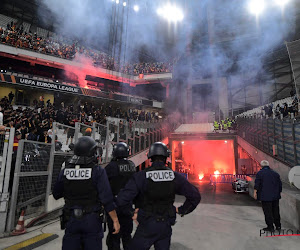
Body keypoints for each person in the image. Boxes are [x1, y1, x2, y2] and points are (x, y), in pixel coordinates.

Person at [116, 142, 201, 250]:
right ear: (166, 157)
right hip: (165, 226)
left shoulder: (141, 176)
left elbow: (121, 200)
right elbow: (195, 196)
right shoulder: (174, 176)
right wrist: (181, 210)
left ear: (150, 157)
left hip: (147, 225)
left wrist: (132, 213)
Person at [53, 136, 120, 250]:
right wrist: (115, 220)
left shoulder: (66, 171)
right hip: (91, 219)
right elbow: (107, 199)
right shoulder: (97, 171)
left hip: (71, 218)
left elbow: (56, 194)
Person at [105, 142, 136, 250]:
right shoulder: (131, 165)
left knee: (114, 236)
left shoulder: (110, 167)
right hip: (127, 205)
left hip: (113, 206)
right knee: (127, 236)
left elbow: (104, 188)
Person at [254, 160, 282, 232]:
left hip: (265, 197)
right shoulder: (275, 173)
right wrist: (278, 193)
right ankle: (278, 226)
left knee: (268, 212)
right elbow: (280, 185)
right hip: (275, 196)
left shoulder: (260, 173)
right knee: (276, 211)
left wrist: (255, 193)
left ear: (261, 166)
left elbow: (257, 184)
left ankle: (270, 227)